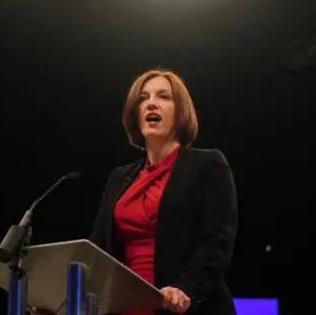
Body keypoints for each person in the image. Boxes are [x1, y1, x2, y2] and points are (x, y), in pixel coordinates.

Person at [88, 68, 238, 315]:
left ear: (180, 111)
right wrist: (58, 301)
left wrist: (185, 289)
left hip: (182, 304)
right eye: (143, 98)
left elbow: (218, 240)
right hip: (126, 305)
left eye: (163, 97)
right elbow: (96, 249)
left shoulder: (207, 164)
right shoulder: (119, 178)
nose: (151, 104)